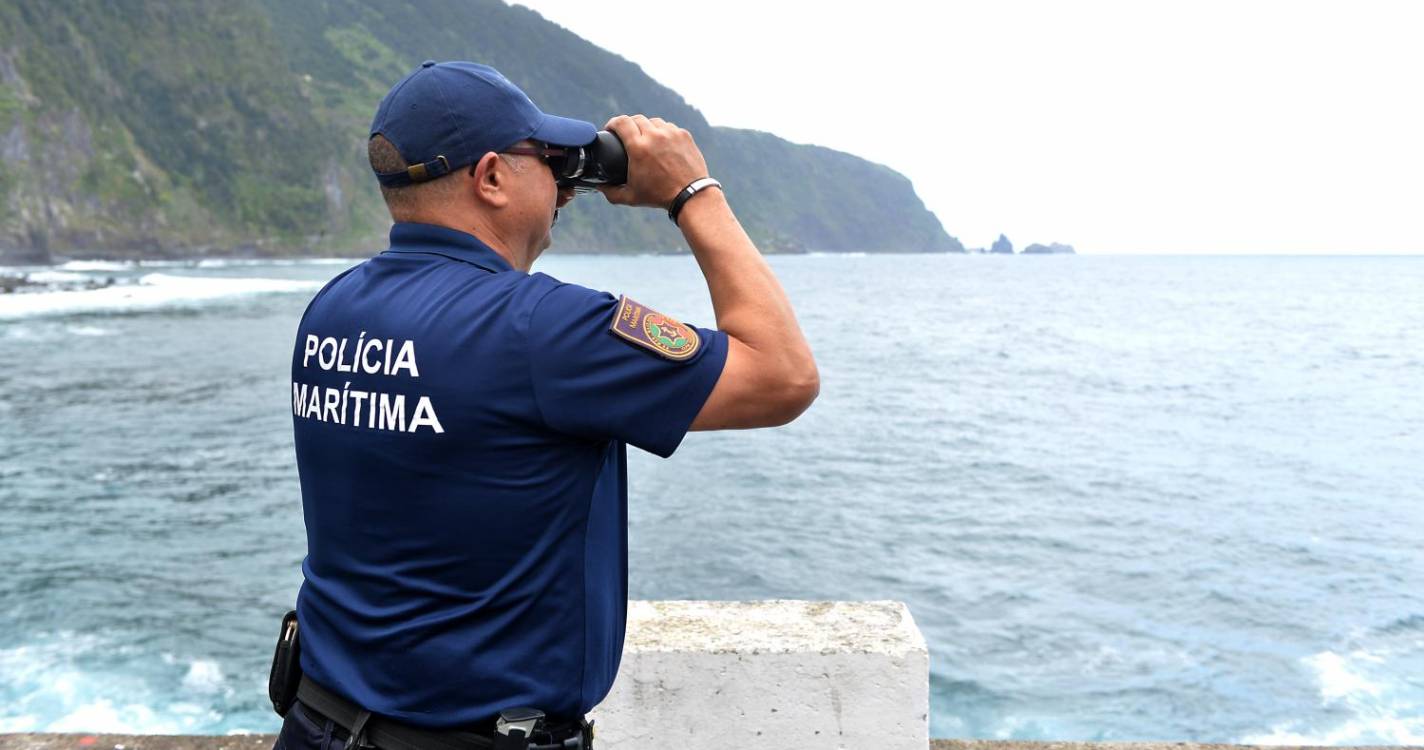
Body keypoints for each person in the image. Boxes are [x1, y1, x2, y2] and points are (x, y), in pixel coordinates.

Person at [275, 60, 817, 750]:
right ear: (493, 178)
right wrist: (692, 191)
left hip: (318, 725)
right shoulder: (543, 328)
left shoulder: (334, 309)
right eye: (547, 160)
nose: (563, 184)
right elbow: (783, 375)